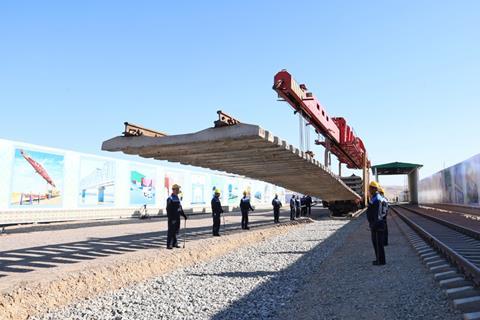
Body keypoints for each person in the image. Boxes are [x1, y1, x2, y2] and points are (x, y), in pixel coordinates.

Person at [366, 181, 387, 265]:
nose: (369, 190)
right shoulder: (375, 198)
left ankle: (381, 261)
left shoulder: (377, 199)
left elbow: (377, 214)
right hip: (376, 224)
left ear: (374, 189)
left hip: (377, 224)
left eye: (370, 188)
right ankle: (379, 259)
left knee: (378, 243)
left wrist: (374, 225)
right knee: (376, 243)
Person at [166, 184, 188, 249]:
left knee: (176, 231)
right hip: (172, 218)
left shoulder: (177, 198)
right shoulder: (170, 198)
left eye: (178, 189)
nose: (179, 190)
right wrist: (171, 218)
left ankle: (174, 243)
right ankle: (169, 244)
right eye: (177, 189)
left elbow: (180, 208)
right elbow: (168, 209)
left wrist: (183, 215)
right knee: (171, 231)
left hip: (177, 217)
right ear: (174, 190)